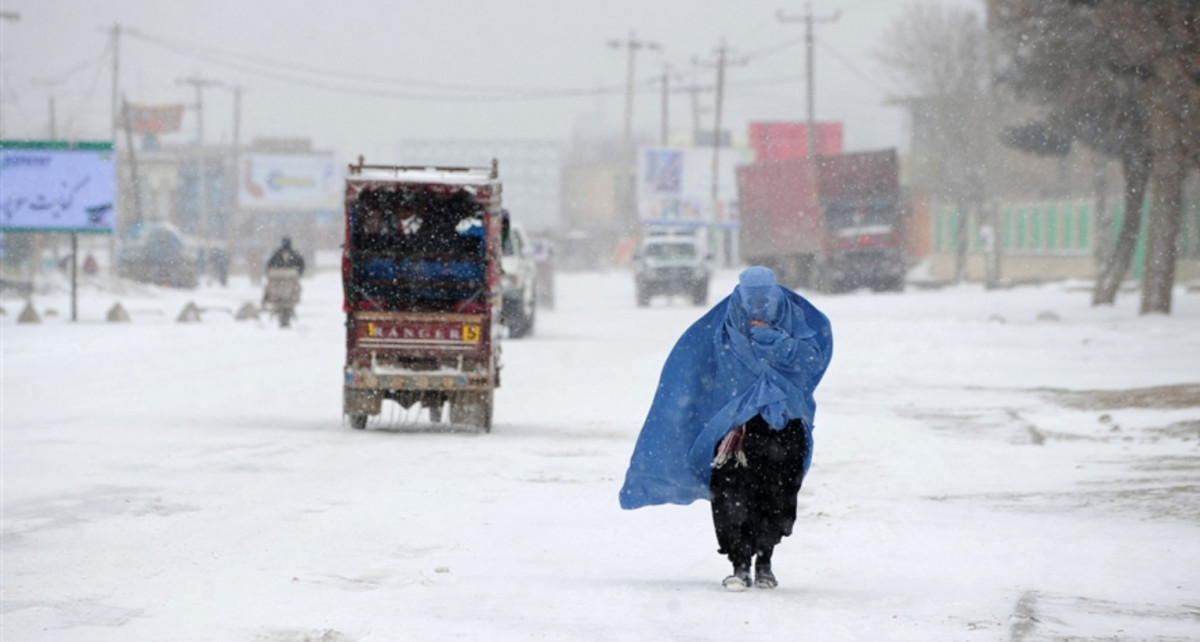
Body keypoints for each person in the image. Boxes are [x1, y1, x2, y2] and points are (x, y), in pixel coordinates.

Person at [619, 266, 833, 591]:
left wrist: (774, 341)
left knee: (777, 495)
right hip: (735, 430)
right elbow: (695, 371)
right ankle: (739, 563)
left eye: (766, 296)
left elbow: (810, 362)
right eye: (752, 296)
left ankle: (765, 561)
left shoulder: (795, 321)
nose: (759, 305)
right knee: (733, 494)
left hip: (784, 425)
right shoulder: (723, 327)